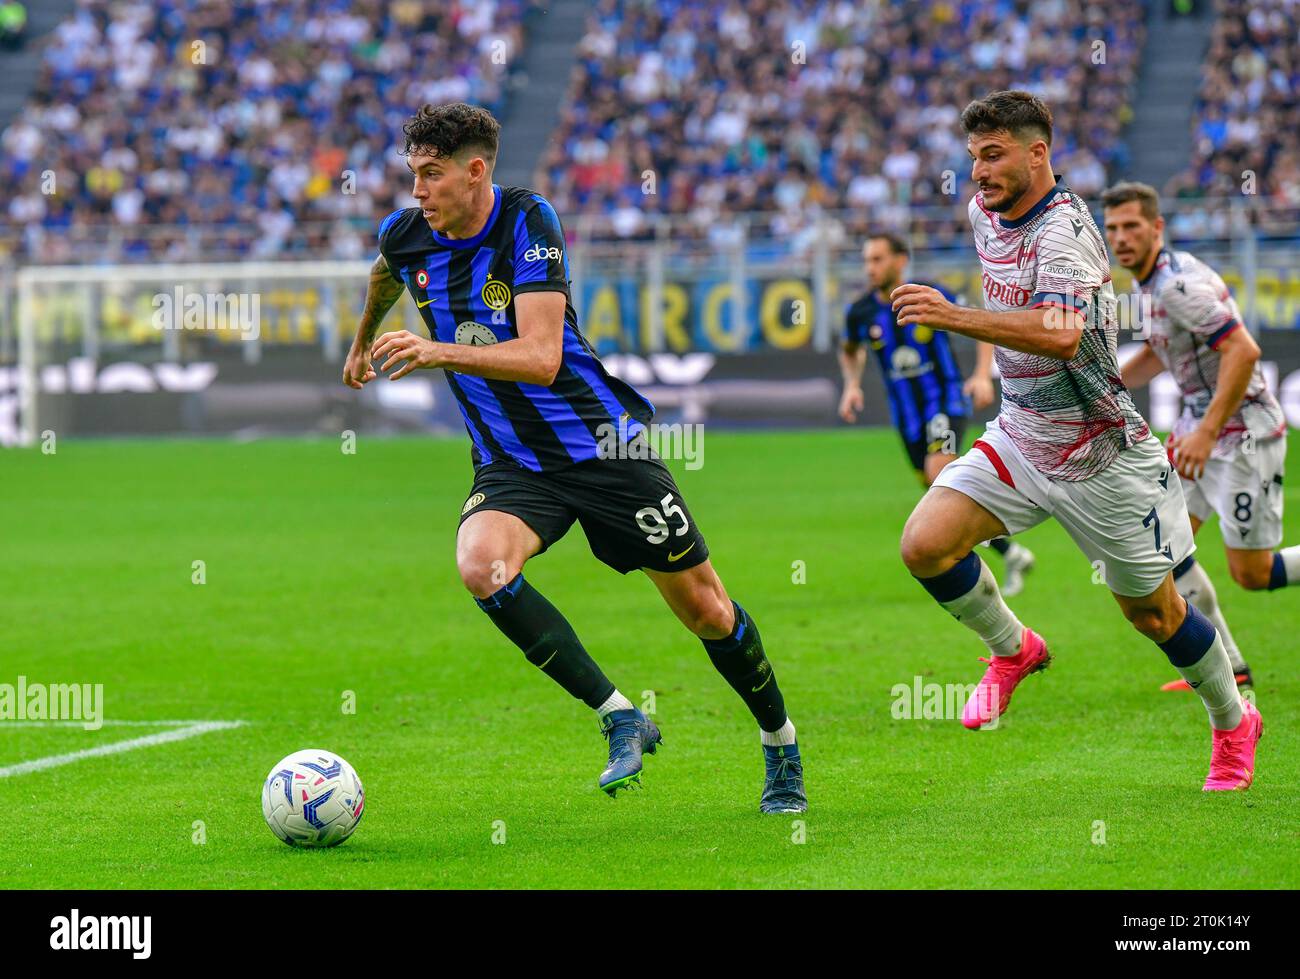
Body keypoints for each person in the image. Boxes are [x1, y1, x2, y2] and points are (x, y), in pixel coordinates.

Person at [342, 102, 805, 812]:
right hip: (512, 464)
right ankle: (619, 713)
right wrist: (360, 339)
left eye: (431, 174)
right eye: (413, 174)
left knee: (707, 611)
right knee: (481, 565)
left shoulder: (529, 223)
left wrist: (436, 349)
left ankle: (780, 743)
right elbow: (384, 272)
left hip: (602, 448)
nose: (419, 191)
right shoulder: (407, 236)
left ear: (475, 171)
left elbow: (540, 356)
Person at [891, 91, 1262, 791]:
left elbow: (1061, 333)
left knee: (1156, 614)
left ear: (1039, 154)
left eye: (993, 155)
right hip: (1022, 432)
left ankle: (1232, 718)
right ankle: (1014, 649)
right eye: (974, 156)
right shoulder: (984, 213)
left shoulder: (1067, 232)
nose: (978, 172)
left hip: (1101, 455)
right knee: (924, 544)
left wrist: (953, 316)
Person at [1105, 179, 1298, 692]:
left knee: (1252, 574)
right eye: (1113, 228)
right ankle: (1230, 667)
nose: (1121, 238)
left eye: (1132, 226)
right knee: (1163, 545)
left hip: (1242, 435)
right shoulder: (1147, 285)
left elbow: (1244, 352)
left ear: (1157, 228)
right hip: (1197, 430)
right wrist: (1109, 386)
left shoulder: (1177, 286)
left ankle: (1230, 667)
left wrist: (1208, 433)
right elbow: (1159, 352)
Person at [839, 232, 1035, 595]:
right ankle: (1011, 553)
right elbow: (850, 348)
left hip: (944, 401)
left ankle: (975, 580)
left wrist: (980, 375)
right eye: (867, 260)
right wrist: (852, 385)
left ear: (900, 261)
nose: (870, 268)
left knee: (938, 471)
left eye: (878, 259)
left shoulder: (930, 294)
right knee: (939, 493)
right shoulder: (861, 311)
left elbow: (980, 326)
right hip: (906, 417)